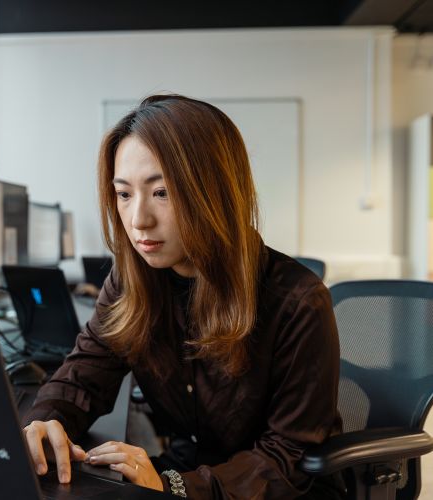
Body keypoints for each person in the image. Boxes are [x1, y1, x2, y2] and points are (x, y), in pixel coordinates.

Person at [21, 94, 343, 498]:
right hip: (188, 472)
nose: (138, 220)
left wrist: (177, 486)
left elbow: (288, 457)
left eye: (162, 192)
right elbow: (84, 377)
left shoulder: (298, 300)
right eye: (124, 194)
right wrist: (45, 422)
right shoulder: (132, 280)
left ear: (216, 194)